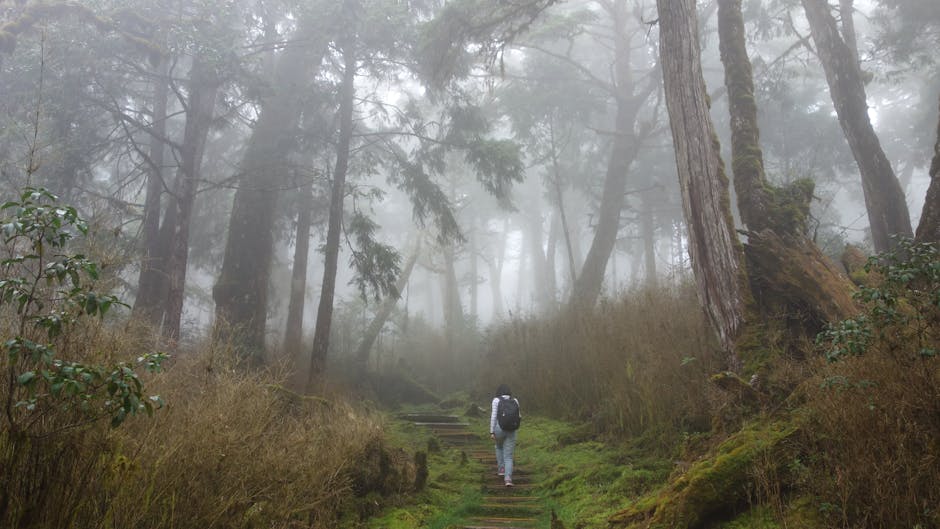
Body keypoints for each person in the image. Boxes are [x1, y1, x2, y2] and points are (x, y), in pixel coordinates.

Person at [489, 384, 520, 487]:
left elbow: (493, 416)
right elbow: (519, 416)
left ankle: (501, 469)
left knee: (498, 447)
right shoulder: (515, 400)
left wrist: (491, 431)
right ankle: (508, 479)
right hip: (512, 430)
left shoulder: (496, 400)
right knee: (509, 456)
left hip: (499, 428)